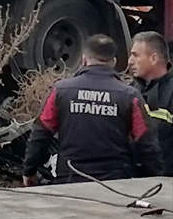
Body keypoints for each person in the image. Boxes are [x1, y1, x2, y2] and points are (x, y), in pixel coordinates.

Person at [23, 34, 162, 185]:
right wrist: (155, 178)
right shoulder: (130, 96)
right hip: (115, 185)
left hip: (70, 182)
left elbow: (41, 133)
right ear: (114, 62)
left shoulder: (61, 91)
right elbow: (146, 143)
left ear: (83, 60)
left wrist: (29, 170)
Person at [129, 31, 173, 176]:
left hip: (166, 182)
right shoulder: (131, 90)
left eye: (135, 55)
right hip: (133, 180)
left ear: (153, 58)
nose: (130, 61)